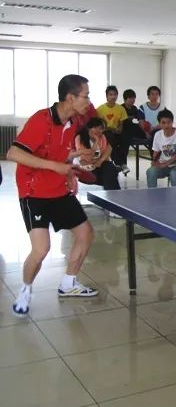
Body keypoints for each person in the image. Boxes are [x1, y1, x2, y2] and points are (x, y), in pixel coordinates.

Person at [6, 74, 98, 317]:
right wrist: (56, 167)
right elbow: (14, 153)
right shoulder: (41, 120)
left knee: (86, 233)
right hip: (33, 191)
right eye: (86, 96)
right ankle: (25, 291)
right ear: (70, 98)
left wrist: (73, 160)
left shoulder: (72, 123)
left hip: (58, 189)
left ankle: (68, 283)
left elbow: (57, 154)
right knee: (41, 249)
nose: (89, 101)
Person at [74, 117, 121, 190]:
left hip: (97, 165)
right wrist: (96, 142)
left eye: (101, 128)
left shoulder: (102, 137)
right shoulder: (80, 137)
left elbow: (100, 154)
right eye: (95, 127)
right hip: (85, 168)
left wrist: (99, 160)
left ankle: (113, 194)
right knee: (110, 173)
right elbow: (85, 159)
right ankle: (113, 193)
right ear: (89, 128)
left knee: (110, 168)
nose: (98, 131)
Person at [146, 109, 176, 188]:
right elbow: (156, 151)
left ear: (172, 122)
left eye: (169, 122)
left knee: (174, 175)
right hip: (162, 164)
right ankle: (152, 194)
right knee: (150, 171)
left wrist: (164, 164)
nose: (166, 125)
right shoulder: (158, 134)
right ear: (159, 123)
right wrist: (154, 161)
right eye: (163, 123)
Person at [96, 85, 130, 174]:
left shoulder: (121, 109)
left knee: (126, 138)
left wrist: (119, 129)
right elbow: (100, 127)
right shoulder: (100, 109)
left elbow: (121, 124)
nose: (113, 97)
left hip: (116, 132)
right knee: (110, 137)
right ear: (106, 96)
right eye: (110, 94)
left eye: (115, 94)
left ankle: (121, 164)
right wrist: (111, 129)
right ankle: (121, 164)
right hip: (106, 133)